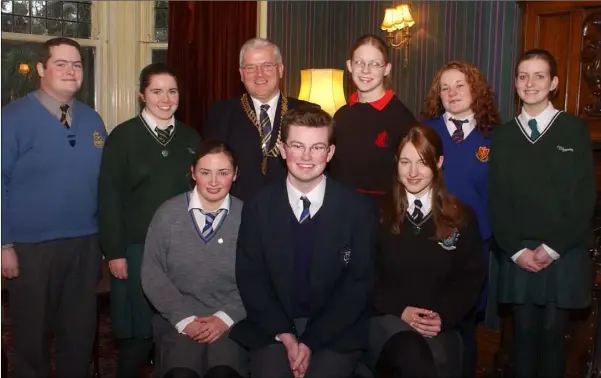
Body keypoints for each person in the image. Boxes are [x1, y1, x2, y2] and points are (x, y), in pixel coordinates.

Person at [230, 107, 376, 378]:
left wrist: (311, 341)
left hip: (335, 330)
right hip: (272, 327)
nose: (307, 157)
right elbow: (251, 278)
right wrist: (286, 335)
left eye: (317, 147)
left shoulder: (357, 209)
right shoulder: (258, 207)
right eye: (297, 146)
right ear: (283, 150)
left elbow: (358, 285)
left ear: (330, 153)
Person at [1, 37, 107, 378]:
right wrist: (3, 244)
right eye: (60, 63)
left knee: (78, 335)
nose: (70, 70)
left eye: (76, 64)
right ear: (41, 69)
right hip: (30, 250)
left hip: (85, 245)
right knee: (31, 339)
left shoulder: (93, 120)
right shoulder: (12, 118)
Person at [488, 49, 596, 378]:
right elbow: (496, 201)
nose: (530, 83)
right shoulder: (504, 136)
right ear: (515, 83)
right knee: (522, 337)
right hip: (518, 252)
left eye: (539, 76)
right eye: (523, 76)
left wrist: (551, 249)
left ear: (554, 83)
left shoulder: (573, 130)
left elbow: (584, 198)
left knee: (553, 337)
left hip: (563, 252)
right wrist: (517, 251)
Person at [98, 63, 201, 378]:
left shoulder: (191, 138)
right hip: (136, 252)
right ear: (142, 95)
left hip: (181, 252)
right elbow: (109, 198)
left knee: (176, 334)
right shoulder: (123, 137)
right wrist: (115, 252)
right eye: (156, 91)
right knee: (138, 338)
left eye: (172, 91)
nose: (166, 99)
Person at [366, 125, 486, 378]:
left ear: (439, 162)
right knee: (411, 353)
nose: (412, 172)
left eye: (422, 163)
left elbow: (470, 280)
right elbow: (364, 275)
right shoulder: (377, 213)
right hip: (387, 320)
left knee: (433, 360)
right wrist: (402, 311)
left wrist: (442, 317)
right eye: (405, 162)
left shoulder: (461, 218)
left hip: (441, 325)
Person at [141, 140, 248, 378]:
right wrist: (184, 319)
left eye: (223, 173)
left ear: (235, 174)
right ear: (192, 173)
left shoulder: (248, 217)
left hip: (231, 319)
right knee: (181, 374)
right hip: (177, 318)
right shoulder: (168, 214)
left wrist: (224, 318)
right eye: (205, 172)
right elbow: (152, 273)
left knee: (223, 373)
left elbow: (258, 278)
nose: (213, 182)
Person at [422, 60, 502, 377]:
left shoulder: (494, 135)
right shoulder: (426, 131)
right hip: (428, 241)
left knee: (465, 322)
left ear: (475, 89)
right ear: (437, 95)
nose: (452, 93)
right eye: (445, 87)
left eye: (460, 85)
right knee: (429, 322)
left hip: (474, 246)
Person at [204, 38, 317, 203]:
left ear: (280, 69)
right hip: (239, 212)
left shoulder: (308, 112)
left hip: (292, 210)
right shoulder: (221, 113)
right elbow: (210, 169)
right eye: (251, 67)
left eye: (267, 65)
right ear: (241, 74)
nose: (260, 74)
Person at [329, 34, 417, 204]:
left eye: (375, 64)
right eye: (359, 62)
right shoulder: (341, 116)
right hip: (341, 211)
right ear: (350, 66)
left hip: (382, 217)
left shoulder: (402, 119)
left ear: (387, 69)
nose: (366, 70)